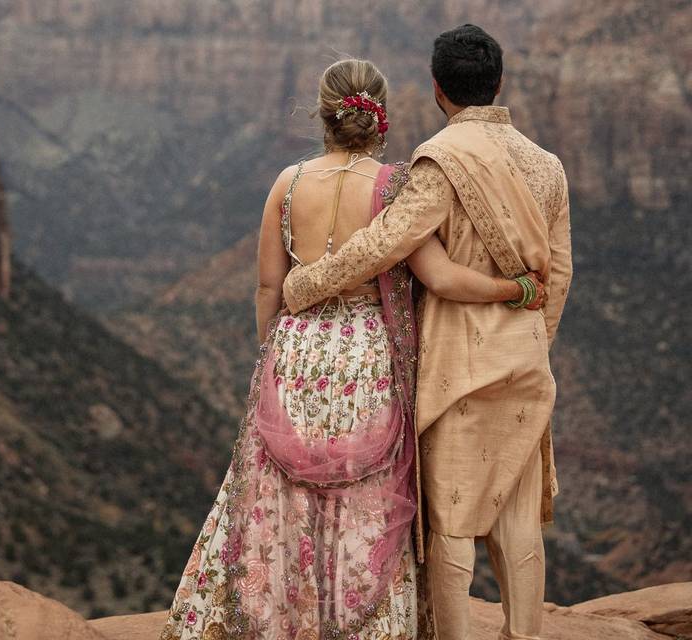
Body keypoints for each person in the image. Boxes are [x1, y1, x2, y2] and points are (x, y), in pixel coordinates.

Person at [159, 56, 546, 640]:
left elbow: (269, 285)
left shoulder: (286, 184)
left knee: (283, 495)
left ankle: (280, 617)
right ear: (381, 117)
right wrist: (514, 290)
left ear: (324, 112)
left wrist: (273, 354)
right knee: (363, 498)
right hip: (367, 354)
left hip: (296, 351)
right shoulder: (395, 187)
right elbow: (439, 278)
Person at [281, 26, 573, 640]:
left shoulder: (441, 160)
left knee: (454, 520)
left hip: (459, 369)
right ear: (499, 83)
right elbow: (561, 272)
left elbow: (386, 243)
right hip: (524, 358)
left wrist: (305, 285)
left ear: (438, 89)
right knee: (518, 518)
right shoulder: (548, 166)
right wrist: (532, 340)